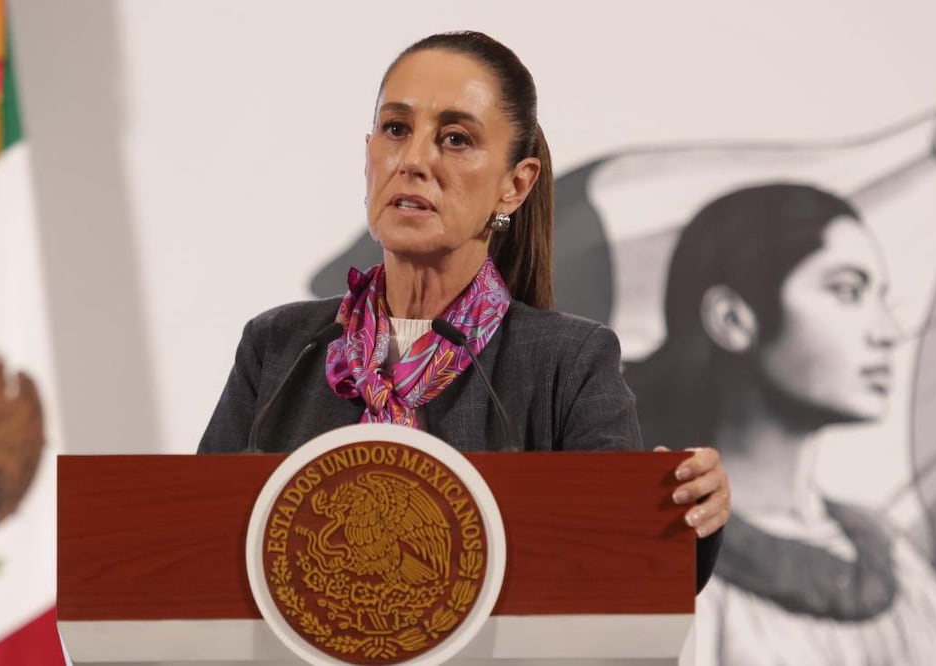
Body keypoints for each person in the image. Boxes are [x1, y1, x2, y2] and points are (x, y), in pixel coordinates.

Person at [198, 31, 729, 581]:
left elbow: (621, 569)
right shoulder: (280, 348)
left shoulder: (566, 363)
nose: (414, 159)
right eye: (396, 129)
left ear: (515, 186)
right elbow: (193, 544)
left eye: (454, 138)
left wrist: (686, 511)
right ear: (368, 153)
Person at [625, 183, 936, 664]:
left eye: (879, 297)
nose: (887, 332)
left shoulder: (892, 557)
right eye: (847, 291)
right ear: (732, 318)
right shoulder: (660, 556)